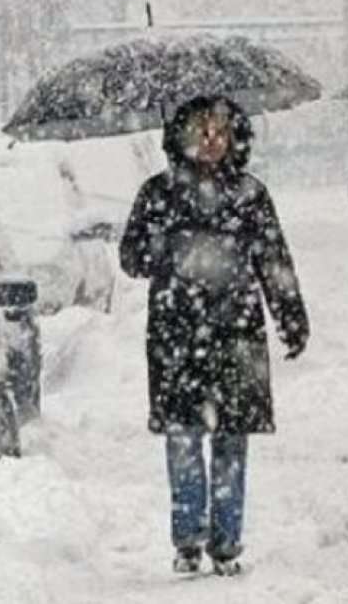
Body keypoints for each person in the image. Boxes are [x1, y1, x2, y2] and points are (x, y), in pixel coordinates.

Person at [119, 95, 309, 576]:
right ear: (180, 137)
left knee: (230, 439)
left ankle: (225, 542)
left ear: (235, 139)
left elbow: (274, 261)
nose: (211, 142)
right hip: (176, 332)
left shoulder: (250, 195)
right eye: (201, 132)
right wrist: (158, 239)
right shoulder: (157, 195)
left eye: (220, 132)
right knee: (183, 437)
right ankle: (187, 539)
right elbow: (132, 260)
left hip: (235, 334)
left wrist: (290, 318)